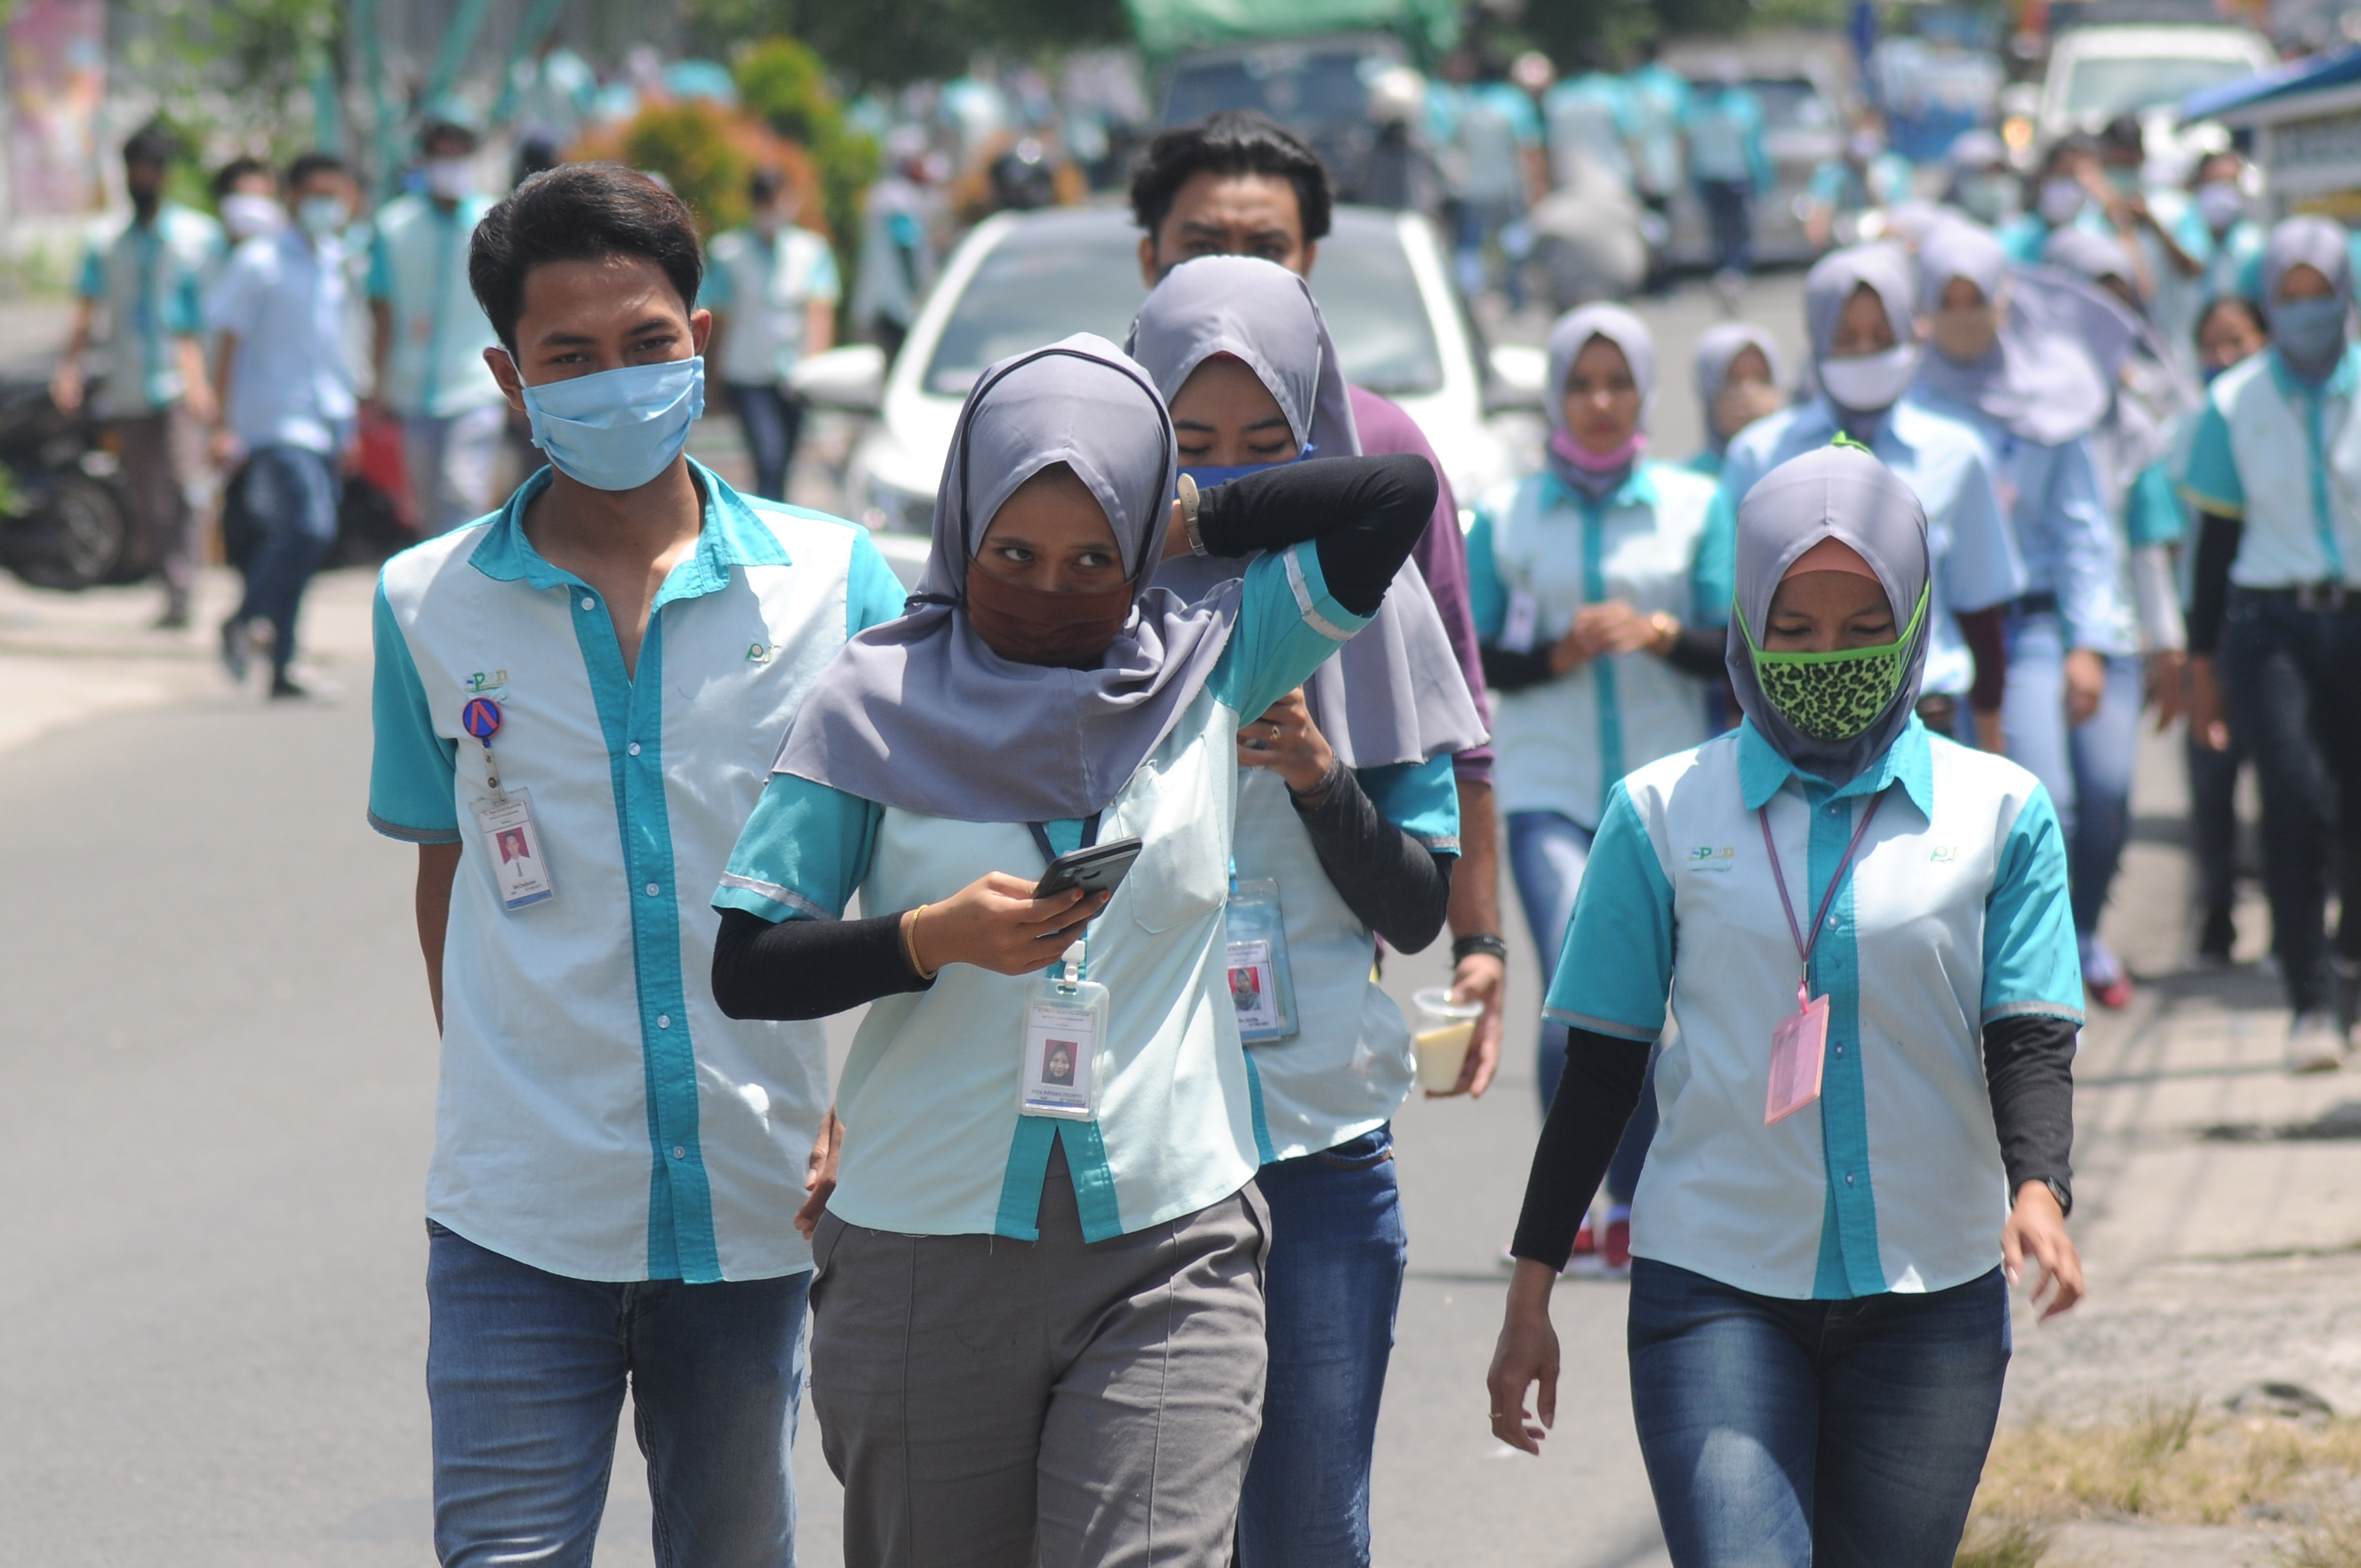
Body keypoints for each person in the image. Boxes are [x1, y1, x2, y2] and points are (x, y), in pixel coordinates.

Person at [707, 336, 1435, 1565]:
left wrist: (1185, 509)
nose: (1051, 588)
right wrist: (931, 939)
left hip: (1172, 1239)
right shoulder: (870, 701)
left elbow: (1391, 496)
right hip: (923, 1250)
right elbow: (749, 959)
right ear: (962, 530)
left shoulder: (1213, 655)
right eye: (1015, 554)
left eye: (1095, 555)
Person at [367, 162, 908, 1567]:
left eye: (646, 343)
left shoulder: (834, 582)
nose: (617, 379)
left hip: (754, 1196)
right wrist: (496, 1082)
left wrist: (872, 1110)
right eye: (571, 357)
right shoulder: (425, 604)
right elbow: (452, 869)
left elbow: (919, 879)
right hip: (514, 1209)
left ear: (702, 339)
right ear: (508, 375)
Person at [1488, 441, 2086, 1568]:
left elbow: (2029, 1035)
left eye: (1865, 626)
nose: (1828, 657)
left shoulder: (2002, 811)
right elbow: (1602, 1069)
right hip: (1714, 1288)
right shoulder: (1657, 812)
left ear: (1914, 618)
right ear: (1744, 629)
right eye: (1794, 628)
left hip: (1934, 1290)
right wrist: (1532, 1293)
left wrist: (2040, 1190)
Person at [1127, 256, 1483, 1567]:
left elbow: (1414, 899)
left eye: (1264, 451)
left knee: (1307, 1528)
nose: (1222, 486)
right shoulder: (1068, 613)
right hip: (1128, 1159)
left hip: (1318, 1145)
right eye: (1189, 446)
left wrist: (1324, 781)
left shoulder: (1366, 610)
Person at [1129, 109, 1512, 1098]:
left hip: (1322, 1000)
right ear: (1149, 258)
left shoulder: (1380, 447)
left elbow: (1448, 707)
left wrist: (1481, 937)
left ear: (1309, 263)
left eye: (1267, 249)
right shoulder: (1098, 471)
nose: (1236, 270)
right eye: (1203, 247)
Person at [1469, 306, 1729, 1274]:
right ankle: (1574, 1204)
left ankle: (1635, 1205)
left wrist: (1659, 633)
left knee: (1652, 1004)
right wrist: (1560, 650)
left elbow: (1733, 650)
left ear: (1645, 394)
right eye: (1582, 383)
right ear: (1556, 395)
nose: (1602, 401)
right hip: (1548, 788)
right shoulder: (1508, 512)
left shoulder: (1695, 506)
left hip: (1668, 795)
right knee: (1583, 989)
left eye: (1618, 383)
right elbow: (1481, 654)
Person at [1915, 222, 2144, 1009]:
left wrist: (2089, 644)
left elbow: (2084, 529)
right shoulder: (1912, 409)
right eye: (1945, 302)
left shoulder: (2055, 395)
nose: (1963, 315)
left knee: (2110, 794)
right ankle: (2043, 973)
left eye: (1975, 299)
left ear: (2004, 301)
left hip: (2052, 624)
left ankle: (2080, 928)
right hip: (1978, 631)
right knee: (2052, 800)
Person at [2181, 217, 2361, 1070]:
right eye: (2285, 298)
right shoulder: (2232, 402)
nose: (2304, 313)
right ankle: (2311, 1003)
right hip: (2268, 621)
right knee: (2294, 798)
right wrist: (2201, 668)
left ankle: (2350, 957)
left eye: (2317, 294)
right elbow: (2214, 548)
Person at [1720, 244, 2023, 751]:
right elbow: (1737, 616)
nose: (1865, 353)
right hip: (1790, 726)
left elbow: (1980, 611)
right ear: (1816, 341)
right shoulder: (1757, 454)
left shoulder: (1958, 452)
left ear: (1912, 333)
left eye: (1883, 338)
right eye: (1846, 339)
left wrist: (1992, 743)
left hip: (1929, 721)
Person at [50, 122, 220, 630]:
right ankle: (172, 587)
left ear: (164, 176)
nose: (142, 177)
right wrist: (69, 366)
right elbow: (87, 307)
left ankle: (189, 581)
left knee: (190, 485)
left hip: (178, 385)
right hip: (128, 385)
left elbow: (195, 319)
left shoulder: (195, 238)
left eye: (151, 169)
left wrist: (201, 381)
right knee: (148, 496)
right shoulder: (105, 241)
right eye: (135, 168)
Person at [208, 153, 359, 699]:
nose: (327, 206)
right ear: (292, 197)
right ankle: (245, 617)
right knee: (307, 526)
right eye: (316, 193)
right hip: (272, 422)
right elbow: (227, 342)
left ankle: (283, 664)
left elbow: (334, 349)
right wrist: (221, 424)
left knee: (306, 539)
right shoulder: (259, 261)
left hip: (323, 421)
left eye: (335, 194)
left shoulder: (335, 260)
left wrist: (349, 422)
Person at [370, 116, 509, 538]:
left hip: (476, 381)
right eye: (441, 156)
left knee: (463, 487)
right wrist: (379, 383)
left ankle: (464, 581)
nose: (450, 165)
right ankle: (440, 586)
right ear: (425, 161)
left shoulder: (494, 220)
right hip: (412, 386)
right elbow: (382, 310)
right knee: (426, 502)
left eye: (459, 156)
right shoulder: (394, 226)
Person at [2182, 293, 2268, 964]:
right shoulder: (2191, 428)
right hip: (2205, 622)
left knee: (2292, 779)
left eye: (2237, 341)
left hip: (2278, 624)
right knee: (2212, 776)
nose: (2224, 358)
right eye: (2211, 344)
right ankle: (2216, 910)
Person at [701, 168, 841, 502]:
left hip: (794, 376)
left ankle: (776, 515)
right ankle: (768, 521)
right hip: (747, 374)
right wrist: (712, 374)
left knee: (785, 462)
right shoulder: (729, 253)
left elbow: (819, 312)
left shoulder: (811, 251)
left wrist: (816, 369)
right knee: (769, 456)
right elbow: (719, 318)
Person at [1433, 50, 1544, 308]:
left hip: (1471, 186)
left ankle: (1471, 299)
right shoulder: (1516, 103)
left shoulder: (1463, 102)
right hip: (1508, 186)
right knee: (1514, 239)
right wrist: (1537, 185)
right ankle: (1515, 293)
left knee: (1470, 245)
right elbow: (1528, 148)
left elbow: (1450, 143)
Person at [849, 126, 937, 363]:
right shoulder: (899, 198)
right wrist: (919, 292)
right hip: (899, 306)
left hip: (881, 302)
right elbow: (906, 245)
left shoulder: (882, 194)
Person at [1685, 60, 1771, 286]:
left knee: (1729, 226)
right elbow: (1755, 147)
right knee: (1730, 226)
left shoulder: (1703, 107)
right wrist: (1763, 176)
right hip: (1729, 176)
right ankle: (1733, 268)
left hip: (1723, 176)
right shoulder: (1744, 106)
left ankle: (1732, 267)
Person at [1624, 38, 1692, 291]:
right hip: (1666, 167)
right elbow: (1683, 131)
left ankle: (1648, 278)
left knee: (1641, 227)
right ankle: (1665, 280)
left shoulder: (1630, 85)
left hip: (1635, 169)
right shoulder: (1673, 85)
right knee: (1665, 227)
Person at [1800, 112, 1912, 251]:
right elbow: (1818, 215)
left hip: (1881, 246)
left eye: (1871, 127)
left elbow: (1901, 213)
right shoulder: (1833, 169)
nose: (1866, 134)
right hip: (1842, 245)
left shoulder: (1894, 167)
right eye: (1860, 127)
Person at [1686, 322, 1784, 477]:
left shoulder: (1796, 468)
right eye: (1733, 381)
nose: (1749, 392)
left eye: (1762, 379)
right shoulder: (1690, 482)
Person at [2191, 149, 2266, 307]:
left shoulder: (2255, 245)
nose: (2220, 192)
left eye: (2228, 184)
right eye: (2213, 183)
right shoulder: (2187, 232)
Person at [1943, 128, 2020, 231]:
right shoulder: (1947, 227)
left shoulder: (2018, 231)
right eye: (1982, 172)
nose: (1992, 180)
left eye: (1997, 172)